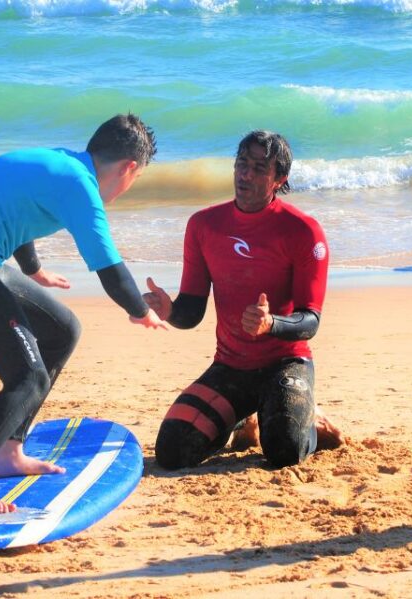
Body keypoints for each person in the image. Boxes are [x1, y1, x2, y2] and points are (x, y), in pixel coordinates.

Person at [0, 114, 164, 524]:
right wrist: (141, 311)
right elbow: (110, 269)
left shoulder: (60, 164)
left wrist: (32, 270)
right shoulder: (81, 186)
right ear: (129, 168)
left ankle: (8, 450)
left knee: (61, 330)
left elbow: (18, 210)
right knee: (28, 376)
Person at [143, 130, 344, 472]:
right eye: (241, 164)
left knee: (284, 451)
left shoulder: (303, 231)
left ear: (280, 178)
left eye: (259, 168)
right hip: (231, 366)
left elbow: (310, 321)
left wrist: (272, 324)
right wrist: (171, 311)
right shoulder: (204, 225)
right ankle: (242, 418)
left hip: (286, 363)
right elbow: (192, 311)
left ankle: (312, 417)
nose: (245, 175)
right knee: (173, 452)